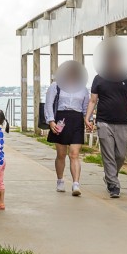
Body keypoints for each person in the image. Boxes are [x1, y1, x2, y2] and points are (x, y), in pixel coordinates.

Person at [85, 52, 127, 198]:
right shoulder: (99, 78)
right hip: (103, 121)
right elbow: (93, 100)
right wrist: (88, 117)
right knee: (108, 154)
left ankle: (110, 176)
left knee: (121, 155)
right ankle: (113, 185)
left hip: (122, 122)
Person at [44, 62, 90, 196]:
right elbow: (48, 104)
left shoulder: (83, 88)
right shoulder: (56, 86)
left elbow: (86, 107)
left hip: (76, 120)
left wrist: (89, 120)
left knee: (74, 154)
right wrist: (51, 121)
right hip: (61, 119)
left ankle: (76, 184)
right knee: (61, 154)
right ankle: (60, 180)